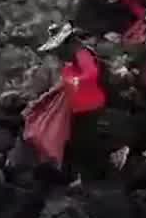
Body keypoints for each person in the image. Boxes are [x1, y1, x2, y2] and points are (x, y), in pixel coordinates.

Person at [41, 25, 130, 182]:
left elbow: (91, 74)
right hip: (81, 108)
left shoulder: (82, 53)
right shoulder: (71, 62)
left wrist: (74, 82)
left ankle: (115, 152)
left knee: (86, 142)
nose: (58, 53)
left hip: (92, 105)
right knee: (79, 143)